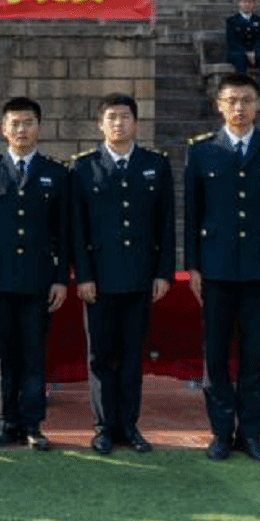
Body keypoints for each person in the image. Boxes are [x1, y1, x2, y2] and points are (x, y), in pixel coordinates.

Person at [184, 74, 260, 462]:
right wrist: (193, 266)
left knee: (253, 357)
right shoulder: (202, 151)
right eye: (231, 100)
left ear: (258, 104)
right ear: (219, 105)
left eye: (246, 100)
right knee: (215, 356)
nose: (239, 107)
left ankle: (251, 435)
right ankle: (220, 433)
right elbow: (193, 212)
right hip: (215, 269)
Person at [68, 95, 173, 454]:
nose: (118, 124)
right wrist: (83, 275)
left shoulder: (155, 164)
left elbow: (165, 224)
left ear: (135, 123)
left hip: (140, 276)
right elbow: (77, 228)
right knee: (100, 356)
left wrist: (163, 272)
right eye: (111, 117)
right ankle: (102, 427)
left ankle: (128, 425)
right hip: (99, 279)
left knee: (131, 355)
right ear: (100, 125)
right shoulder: (83, 167)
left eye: (125, 117)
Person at [0, 96, 69, 450]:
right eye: (14, 123)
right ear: (3, 129)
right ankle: (6, 422)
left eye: (28, 123)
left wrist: (61, 279)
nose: (21, 129)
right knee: (5, 354)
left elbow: (63, 231)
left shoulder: (56, 172)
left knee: (33, 353)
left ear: (38, 127)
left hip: (39, 279)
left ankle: (32, 424)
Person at [224, 0, 260, 80]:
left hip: (254, 52)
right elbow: (232, 41)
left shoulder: (258, 20)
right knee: (241, 58)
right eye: (244, 1)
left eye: (249, 2)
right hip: (237, 51)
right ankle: (243, 86)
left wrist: (254, 51)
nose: (247, 4)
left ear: (254, 4)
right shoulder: (232, 21)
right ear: (239, 3)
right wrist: (246, 52)